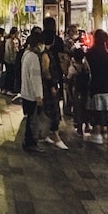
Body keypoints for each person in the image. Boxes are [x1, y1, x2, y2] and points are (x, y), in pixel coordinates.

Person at [84, 28, 108, 147]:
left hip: (97, 87)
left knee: (98, 113)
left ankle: (98, 135)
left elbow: (86, 70)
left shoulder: (90, 53)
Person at [40, 17, 68, 149]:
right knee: (54, 104)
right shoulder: (56, 41)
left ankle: (45, 132)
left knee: (45, 106)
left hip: (43, 79)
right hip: (53, 76)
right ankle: (55, 134)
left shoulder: (40, 39)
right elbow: (63, 58)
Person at [19, 29, 46, 153]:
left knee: (30, 120)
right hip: (31, 95)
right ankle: (31, 144)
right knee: (33, 121)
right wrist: (39, 95)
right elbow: (35, 78)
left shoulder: (26, 54)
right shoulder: (34, 57)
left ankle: (28, 142)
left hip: (25, 92)